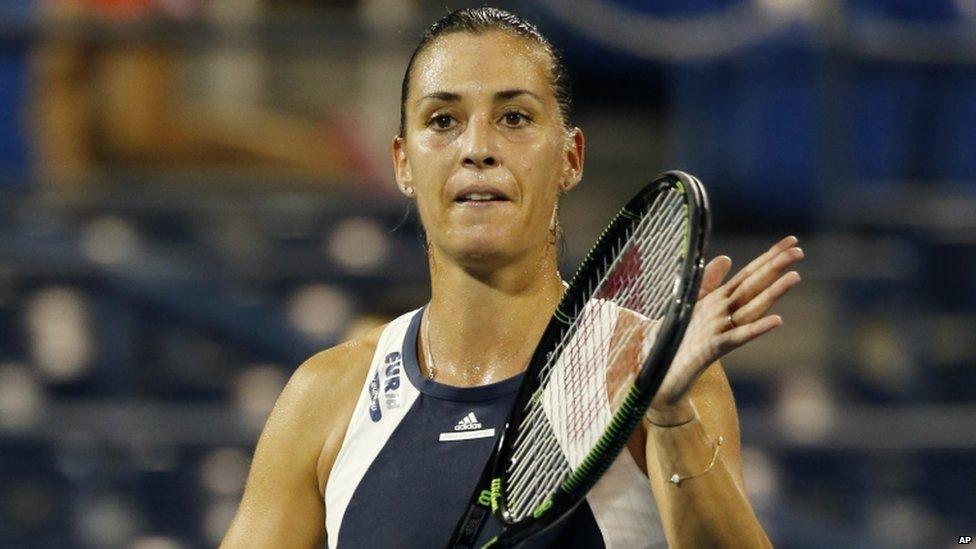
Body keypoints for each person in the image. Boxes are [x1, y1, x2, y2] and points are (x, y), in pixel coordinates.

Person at [222, 7, 802, 548]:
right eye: (443, 120)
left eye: (515, 117)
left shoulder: (645, 365)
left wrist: (670, 415)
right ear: (403, 162)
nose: (478, 148)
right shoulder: (325, 397)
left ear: (570, 158)